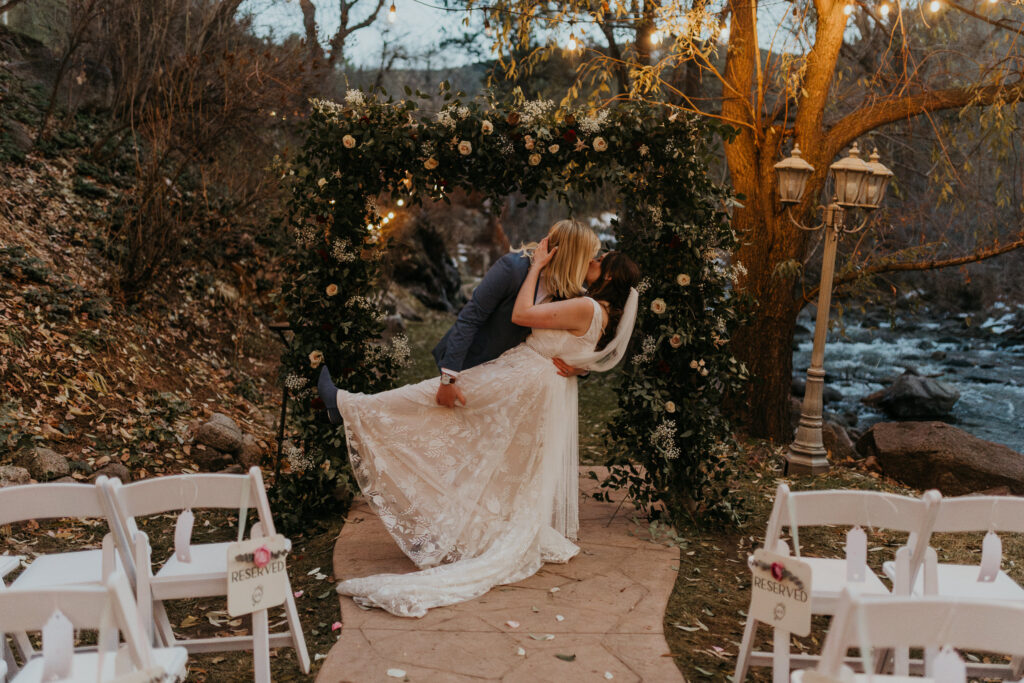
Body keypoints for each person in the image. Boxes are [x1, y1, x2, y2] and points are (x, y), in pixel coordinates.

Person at [317, 241, 641, 618]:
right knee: (497, 457)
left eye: (600, 262)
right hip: (536, 383)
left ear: (611, 276)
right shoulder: (598, 311)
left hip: (524, 377)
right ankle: (352, 409)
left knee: (435, 404)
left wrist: (536, 266)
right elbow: (583, 354)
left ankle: (346, 405)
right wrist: (580, 367)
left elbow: (523, 314)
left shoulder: (586, 305)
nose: (593, 262)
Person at [431, 218, 598, 409]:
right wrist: (448, 379)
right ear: (573, 259)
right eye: (588, 258)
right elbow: (470, 318)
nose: (590, 263)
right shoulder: (512, 268)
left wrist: (581, 369)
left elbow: (575, 339)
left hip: (509, 379)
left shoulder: (567, 291)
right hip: (470, 363)